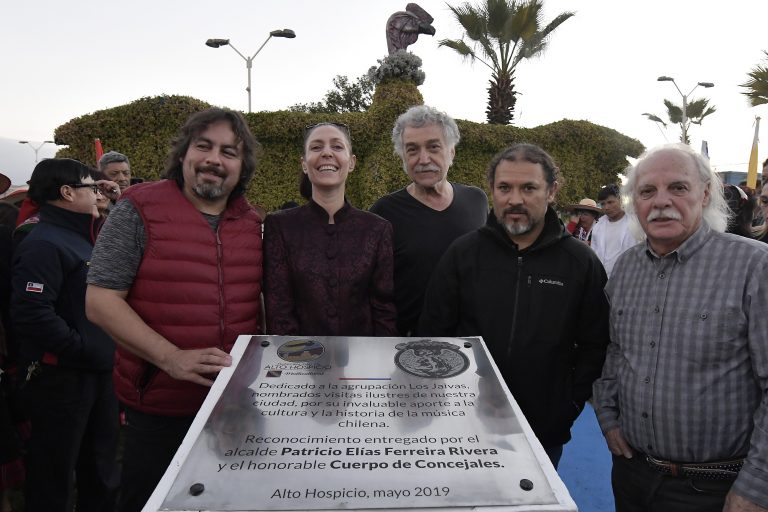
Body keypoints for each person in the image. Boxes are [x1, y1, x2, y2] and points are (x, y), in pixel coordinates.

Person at [85, 108, 263, 512]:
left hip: (233, 409)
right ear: (183, 154)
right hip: (159, 410)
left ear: (242, 166)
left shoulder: (251, 222)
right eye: (204, 146)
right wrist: (170, 358)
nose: (215, 159)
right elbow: (100, 301)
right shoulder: (139, 208)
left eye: (229, 152)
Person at [592, 144, 768, 512]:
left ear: (704, 194)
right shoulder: (625, 270)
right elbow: (615, 351)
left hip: (716, 489)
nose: (661, 202)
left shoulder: (754, 267)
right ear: (634, 203)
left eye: (678, 187)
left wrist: (756, 486)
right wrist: (607, 415)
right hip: (631, 474)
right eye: (647, 191)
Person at [419, 143, 610, 468]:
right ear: (492, 191)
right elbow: (432, 336)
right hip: (463, 428)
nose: (516, 199)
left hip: (542, 433)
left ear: (551, 191)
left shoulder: (580, 263)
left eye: (529, 188)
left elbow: (596, 345)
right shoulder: (462, 254)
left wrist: (567, 404)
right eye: (505, 187)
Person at [11, 159, 118, 512]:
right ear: (67, 192)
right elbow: (32, 313)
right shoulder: (42, 241)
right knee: (53, 474)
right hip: (62, 378)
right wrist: (83, 348)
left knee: (100, 468)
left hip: (98, 372)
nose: (98, 192)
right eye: (92, 186)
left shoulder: (82, 235)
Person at [264, 122, 397, 336]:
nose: (327, 153)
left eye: (337, 147)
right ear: (304, 164)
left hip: (362, 363)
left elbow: (383, 309)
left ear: (351, 162)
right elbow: (279, 309)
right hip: (300, 362)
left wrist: (378, 362)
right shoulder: (280, 226)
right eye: (316, 147)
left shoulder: (377, 229)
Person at [370, 105, 487, 336]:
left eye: (434, 147)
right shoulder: (383, 213)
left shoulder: (477, 200)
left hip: (469, 341)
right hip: (408, 345)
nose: (424, 159)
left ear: (451, 152)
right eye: (412, 150)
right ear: (403, 157)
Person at [591, 184, 638, 278]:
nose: (606, 207)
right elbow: (594, 254)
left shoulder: (636, 223)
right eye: (603, 204)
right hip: (602, 280)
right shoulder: (598, 227)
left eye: (610, 202)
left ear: (620, 200)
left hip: (629, 278)